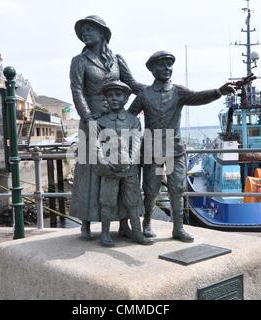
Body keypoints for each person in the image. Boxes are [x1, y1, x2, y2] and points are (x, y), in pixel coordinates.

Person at [128, 51, 234, 242]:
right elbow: (130, 116)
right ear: (152, 69)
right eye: (162, 65)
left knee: (177, 188)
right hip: (152, 149)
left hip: (174, 149)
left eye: (169, 64)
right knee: (150, 189)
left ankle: (178, 228)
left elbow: (198, 97)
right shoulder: (144, 94)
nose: (167, 68)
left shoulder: (178, 91)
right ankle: (147, 223)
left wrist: (219, 91)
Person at [69, 15, 145, 240]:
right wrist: (89, 118)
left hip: (117, 118)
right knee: (90, 172)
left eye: (90, 29)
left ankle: (124, 222)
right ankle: (85, 223)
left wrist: (154, 90)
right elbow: (77, 91)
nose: (85, 33)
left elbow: (132, 84)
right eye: (82, 30)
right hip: (92, 120)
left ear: (103, 32)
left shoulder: (117, 59)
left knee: (123, 167)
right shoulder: (79, 61)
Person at [95, 80, 153, 247]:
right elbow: (95, 144)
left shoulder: (133, 121)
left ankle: (137, 232)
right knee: (107, 201)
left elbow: (136, 142)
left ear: (126, 98)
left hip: (129, 169)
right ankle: (105, 233)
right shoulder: (100, 121)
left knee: (133, 200)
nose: (114, 98)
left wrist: (130, 161)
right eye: (110, 95)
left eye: (118, 95)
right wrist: (104, 162)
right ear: (105, 98)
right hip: (109, 169)